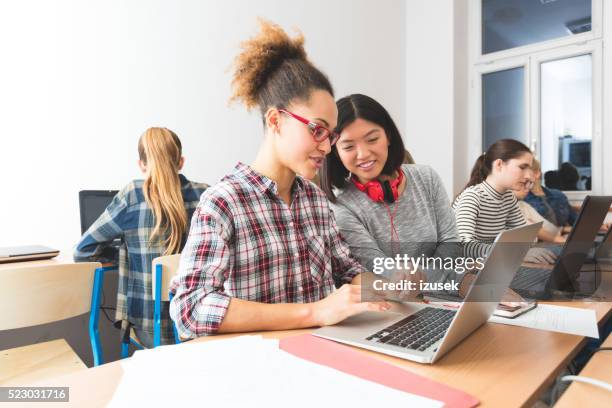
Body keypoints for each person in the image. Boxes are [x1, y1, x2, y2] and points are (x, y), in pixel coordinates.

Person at [169, 20, 390, 339]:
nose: (327, 147)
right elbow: (190, 309)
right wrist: (315, 312)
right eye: (317, 130)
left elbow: (348, 271)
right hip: (258, 368)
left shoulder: (315, 200)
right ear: (275, 120)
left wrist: (402, 289)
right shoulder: (224, 202)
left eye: (330, 135)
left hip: (319, 357)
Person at [320, 93, 467, 294]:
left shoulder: (427, 178)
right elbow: (378, 268)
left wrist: (438, 280)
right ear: (336, 151)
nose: (363, 154)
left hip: (447, 293)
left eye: (372, 139)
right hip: (397, 302)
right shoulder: (340, 206)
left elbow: (450, 244)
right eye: (348, 146)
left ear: (388, 136)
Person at [74, 127, 208, 347]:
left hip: (150, 327)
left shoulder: (133, 195)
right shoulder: (205, 194)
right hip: (196, 323)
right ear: (180, 162)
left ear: (142, 164)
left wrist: (127, 255)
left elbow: (82, 251)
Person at [453, 139, 556, 263]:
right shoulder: (472, 197)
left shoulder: (508, 198)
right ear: (499, 165)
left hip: (491, 267)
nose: (529, 176)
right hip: (460, 274)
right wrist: (515, 253)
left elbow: (529, 240)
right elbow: (463, 247)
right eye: (522, 167)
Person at [525, 159, 577, 230]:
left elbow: (575, 221)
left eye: (525, 172)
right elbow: (534, 230)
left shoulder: (558, 195)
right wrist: (563, 229)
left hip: (566, 237)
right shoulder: (521, 200)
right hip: (546, 239)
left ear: (537, 173)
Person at [513, 177, 566, 244]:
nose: (528, 188)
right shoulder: (509, 207)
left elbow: (550, 228)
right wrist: (566, 241)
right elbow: (536, 230)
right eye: (523, 184)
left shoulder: (523, 205)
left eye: (529, 184)